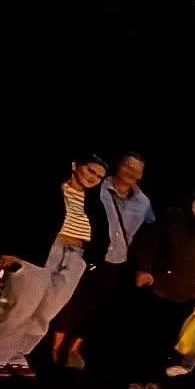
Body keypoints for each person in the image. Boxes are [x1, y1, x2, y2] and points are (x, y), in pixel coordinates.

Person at [0, 154, 111, 378]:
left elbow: (102, 237)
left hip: (76, 256)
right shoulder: (49, 189)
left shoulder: (94, 203)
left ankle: (17, 352)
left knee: (46, 311)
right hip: (43, 251)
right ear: (76, 165)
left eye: (99, 176)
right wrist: (9, 251)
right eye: (90, 170)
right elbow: (19, 216)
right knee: (23, 305)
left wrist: (91, 261)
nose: (93, 177)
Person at [127, 184, 195, 389]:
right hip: (158, 288)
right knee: (147, 336)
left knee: (175, 343)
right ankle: (138, 379)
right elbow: (150, 242)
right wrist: (145, 269)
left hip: (190, 296)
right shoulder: (173, 219)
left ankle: (159, 383)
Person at [49, 152, 153, 371]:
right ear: (119, 165)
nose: (131, 173)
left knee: (95, 306)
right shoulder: (99, 185)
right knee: (70, 301)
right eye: (128, 166)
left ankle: (74, 349)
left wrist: (143, 266)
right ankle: (56, 347)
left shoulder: (143, 202)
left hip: (117, 261)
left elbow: (149, 230)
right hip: (89, 253)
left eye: (137, 171)